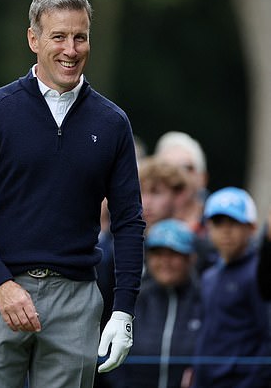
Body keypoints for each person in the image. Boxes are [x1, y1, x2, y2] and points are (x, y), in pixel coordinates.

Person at [0, 0, 145, 388]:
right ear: (33, 39)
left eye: (80, 37)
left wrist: (124, 310)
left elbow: (128, 221)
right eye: (58, 36)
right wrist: (2, 284)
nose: (70, 50)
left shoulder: (111, 123)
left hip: (75, 299)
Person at [192, 187, 271, 387]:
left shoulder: (260, 275)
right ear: (208, 227)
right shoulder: (209, 276)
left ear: (251, 227)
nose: (226, 230)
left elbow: (267, 337)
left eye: (234, 222)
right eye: (218, 223)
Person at [110, 219, 202, 388]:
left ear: (190, 258)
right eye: (158, 254)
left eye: (173, 254)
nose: (165, 262)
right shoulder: (132, 301)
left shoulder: (204, 299)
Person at [154, 131, 209, 236]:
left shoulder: (219, 221)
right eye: (167, 168)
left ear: (202, 178)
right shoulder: (140, 224)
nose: (177, 175)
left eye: (186, 167)